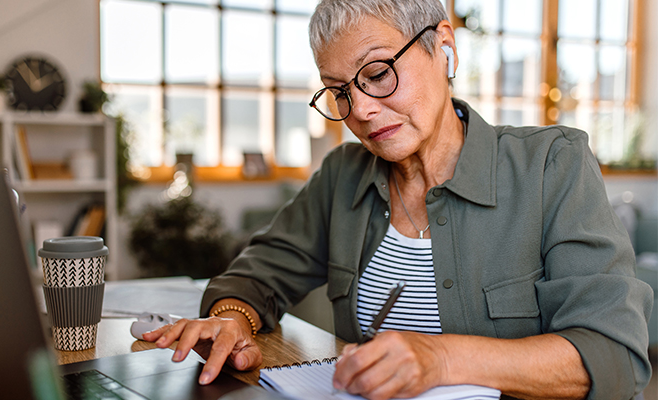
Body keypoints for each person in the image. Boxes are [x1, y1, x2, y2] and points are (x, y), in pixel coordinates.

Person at [143, 1, 654, 399]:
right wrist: (233, 318)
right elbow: (258, 274)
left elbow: (613, 355)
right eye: (339, 91)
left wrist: (443, 359)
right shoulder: (343, 176)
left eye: (379, 71)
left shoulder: (551, 165)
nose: (360, 110)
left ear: (443, 47)